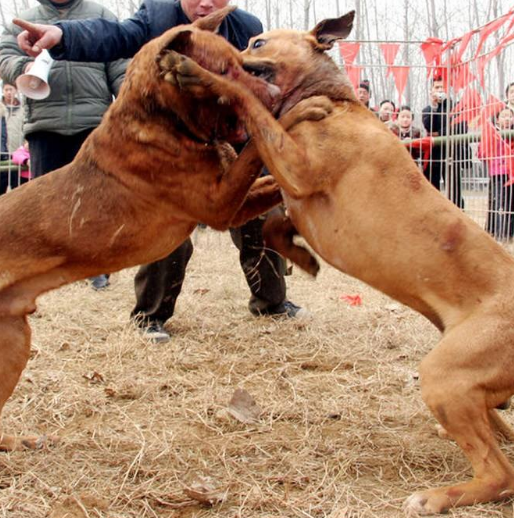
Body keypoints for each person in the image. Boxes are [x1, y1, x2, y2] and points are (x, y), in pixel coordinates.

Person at [15, 0, 308, 342]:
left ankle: (272, 303)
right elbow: (113, 35)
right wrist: (62, 35)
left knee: (264, 215)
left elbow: (266, 77)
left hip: (231, 131)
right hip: (169, 151)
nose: (205, 3)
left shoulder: (247, 28)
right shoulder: (157, 18)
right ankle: (149, 317)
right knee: (168, 228)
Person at [0, 0, 127, 289]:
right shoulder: (24, 20)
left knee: (96, 200)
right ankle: (50, 267)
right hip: (45, 123)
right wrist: (24, 65)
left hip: (94, 123)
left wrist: (129, 97)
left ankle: (96, 268)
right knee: (46, 204)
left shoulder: (100, 15)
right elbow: (3, 56)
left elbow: (120, 65)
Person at [422, 78, 468, 209]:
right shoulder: (428, 109)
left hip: (453, 154)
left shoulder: (457, 107)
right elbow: (429, 127)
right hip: (433, 156)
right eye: (436, 87)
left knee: (455, 193)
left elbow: (460, 128)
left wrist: (438, 133)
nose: (440, 90)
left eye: (443, 87)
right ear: (431, 90)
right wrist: (434, 107)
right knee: (432, 191)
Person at [478, 106, 514, 241]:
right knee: (500, 204)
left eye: (510, 116)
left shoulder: (512, 134)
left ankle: (509, 233)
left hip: (512, 173)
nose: (507, 119)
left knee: (510, 204)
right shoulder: (492, 134)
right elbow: (482, 152)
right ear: (497, 120)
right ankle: (500, 233)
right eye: (504, 116)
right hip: (498, 173)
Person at [1, 83, 24, 154]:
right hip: (2, 151)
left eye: (11, 89)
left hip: (19, 151)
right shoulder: (0, 108)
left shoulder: (23, 109)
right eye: (6, 90)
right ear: (2, 91)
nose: (9, 92)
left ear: (16, 90)